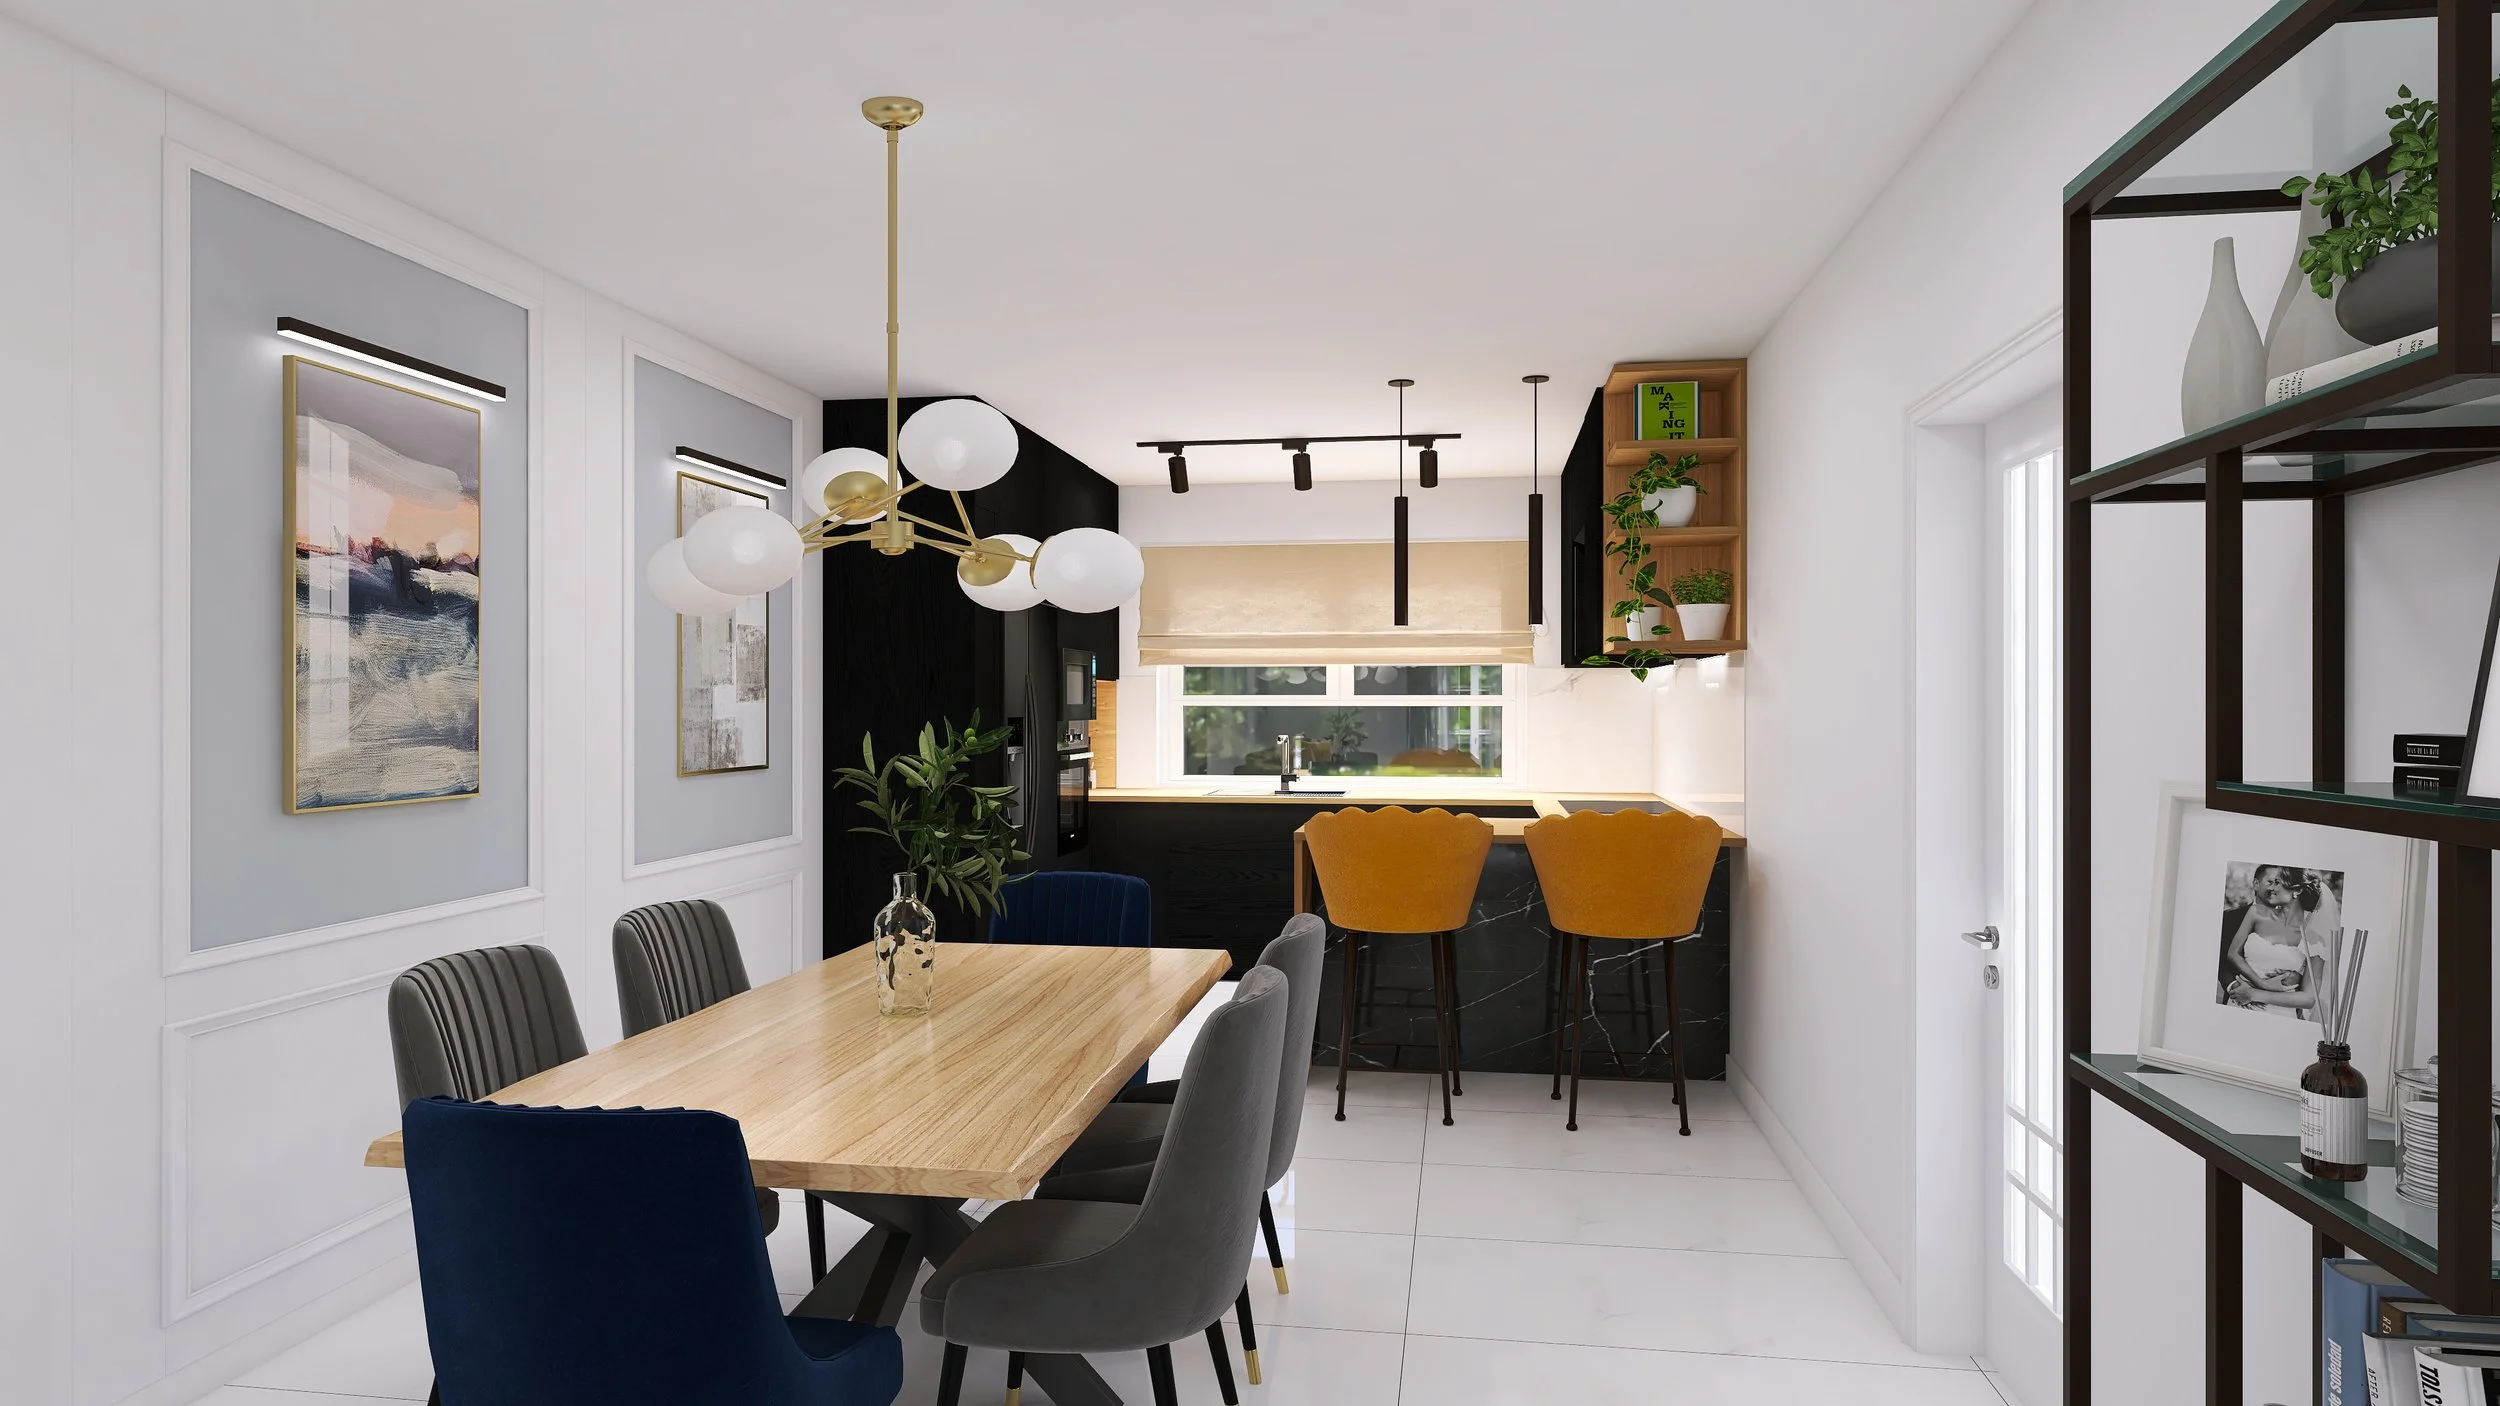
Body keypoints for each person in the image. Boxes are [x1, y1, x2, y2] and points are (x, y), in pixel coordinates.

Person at [2220, 865, 2336, 1021]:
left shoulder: (2315, 939)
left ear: (2297, 891)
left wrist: (2254, 994)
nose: (2271, 888)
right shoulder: (2256, 913)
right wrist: (2263, 984)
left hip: (2278, 1013)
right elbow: (2233, 954)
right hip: (2239, 1002)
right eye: (2271, 882)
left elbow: (2309, 998)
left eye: (2277, 883)